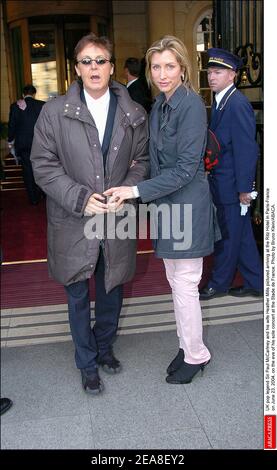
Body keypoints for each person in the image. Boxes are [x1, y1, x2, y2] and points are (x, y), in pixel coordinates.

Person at [30, 33, 149, 395]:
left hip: (118, 214)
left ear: (112, 67)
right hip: (73, 218)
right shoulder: (54, 112)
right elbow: (43, 165)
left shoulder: (133, 112)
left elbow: (143, 162)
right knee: (78, 291)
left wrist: (125, 191)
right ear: (77, 69)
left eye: (101, 60)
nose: (94, 67)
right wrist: (81, 198)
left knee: (112, 286)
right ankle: (86, 362)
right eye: (86, 61)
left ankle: (104, 347)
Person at [105, 36, 220, 384]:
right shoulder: (161, 105)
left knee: (184, 284)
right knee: (175, 282)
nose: (162, 73)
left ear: (182, 68)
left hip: (188, 206)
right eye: (156, 67)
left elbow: (186, 169)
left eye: (169, 66)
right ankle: (187, 346)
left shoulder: (190, 106)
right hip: (167, 207)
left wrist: (134, 190)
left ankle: (197, 354)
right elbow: (153, 161)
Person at [199, 48, 263, 300]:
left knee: (227, 237)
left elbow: (247, 150)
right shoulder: (221, 101)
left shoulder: (236, 104)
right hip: (223, 183)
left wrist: (245, 189)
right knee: (242, 235)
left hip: (233, 186)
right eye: (210, 72)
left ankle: (219, 283)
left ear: (232, 76)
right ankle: (257, 282)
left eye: (218, 72)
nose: (211, 77)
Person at [8, 84, 45, 205]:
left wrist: (10, 140)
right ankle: (44, 194)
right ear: (34, 94)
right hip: (40, 143)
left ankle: (33, 199)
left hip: (23, 144)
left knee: (28, 171)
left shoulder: (15, 106)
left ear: (23, 94)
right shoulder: (42, 105)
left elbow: (12, 125)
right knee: (42, 168)